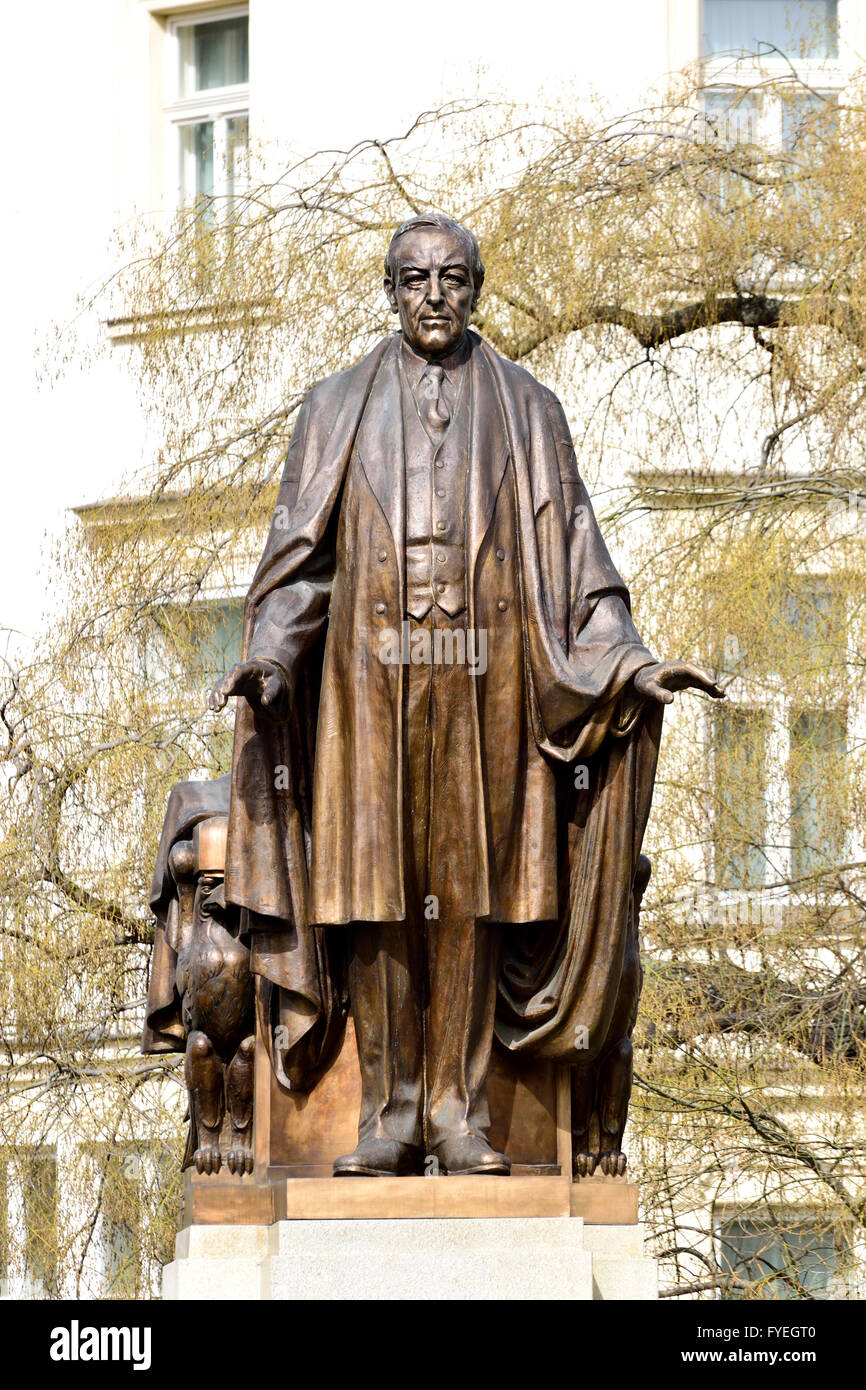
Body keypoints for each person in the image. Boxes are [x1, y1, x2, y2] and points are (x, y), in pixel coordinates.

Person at [210, 213, 723, 1177]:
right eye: (415, 278)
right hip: (369, 690)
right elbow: (299, 569)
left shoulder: (530, 408)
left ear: (478, 288)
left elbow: (578, 564)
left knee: (469, 897)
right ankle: (393, 1108)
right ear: (391, 290)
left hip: (489, 694)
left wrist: (631, 665)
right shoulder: (333, 409)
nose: (433, 294)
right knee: (378, 897)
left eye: (452, 277)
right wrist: (272, 660)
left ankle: (459, 1109)